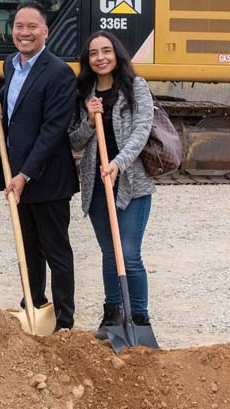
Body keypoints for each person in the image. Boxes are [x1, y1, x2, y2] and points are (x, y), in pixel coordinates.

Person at [0, 1, 79, 331]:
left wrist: (26, 174)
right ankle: (34, 305)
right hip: (17, 177)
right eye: (19, 27)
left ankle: (64, 321)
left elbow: (53, 131)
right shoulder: (12, 64)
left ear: (46, 32)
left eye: (32, 27)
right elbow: (14, 93)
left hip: (47, 179)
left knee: (55, 251)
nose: (24, 33)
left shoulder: (60, 73)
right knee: (28, 248)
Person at [68, 30, 155, 340]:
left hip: (131, 183)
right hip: (97, 183)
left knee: (128, 253)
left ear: (117, 54)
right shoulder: (85, 94)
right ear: (87, 60)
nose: (100, 57)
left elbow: (142, 130)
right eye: (93, 53)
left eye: (106, 51)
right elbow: (74, 141)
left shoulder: (136, 87)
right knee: (109, 252)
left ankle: (140, 319)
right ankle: (113, 316)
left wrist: (119, 163)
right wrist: (90, 122)